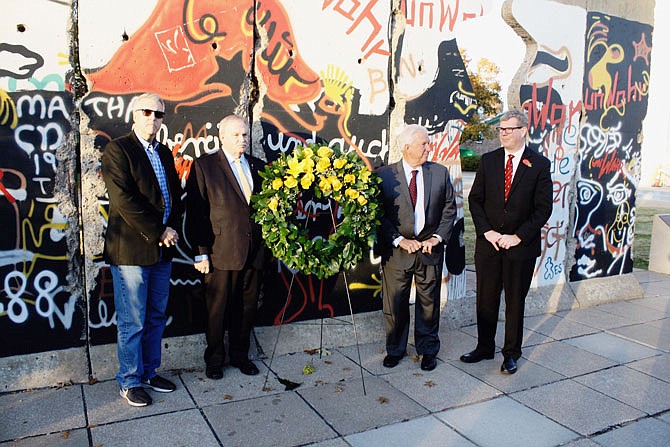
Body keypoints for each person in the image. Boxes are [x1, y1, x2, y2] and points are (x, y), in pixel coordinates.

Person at [101, 93, 183, 407]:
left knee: (156, 315)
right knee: (132, 319)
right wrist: (159, 230)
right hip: (132, 251)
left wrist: (171, 229)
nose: (152, 118)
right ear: (134, 115)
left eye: (159, 114)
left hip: (163, 248)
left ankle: (149, 372)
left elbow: (173, 194)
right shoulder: (118, 149)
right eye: (146, 112)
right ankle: (130, 381)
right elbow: (124, 201)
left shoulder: (162, 151)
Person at [460, 109, 552, 374]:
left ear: (523, 130)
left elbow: (542, 209)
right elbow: (475, 200)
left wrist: (518, 236)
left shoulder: (539, 164)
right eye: (500, 129)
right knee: (485, 299)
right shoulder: (488, 161)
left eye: (508, 129)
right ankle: (484, 347)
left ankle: (511, 353)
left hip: (519, 248)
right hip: (489, 245)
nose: (503, 133)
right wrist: (487, 232)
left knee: (514, 302)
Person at [186, 115, 266, 380]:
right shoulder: (206, 166)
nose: (242, 140)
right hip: (221, 251)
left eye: (244, 135)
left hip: (254, 252)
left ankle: (241, 356)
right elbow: (197, 213)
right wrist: (201, 251)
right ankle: (215, 360)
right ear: (222, 138)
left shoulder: (258, 166)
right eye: (236, 135)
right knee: (217, 309)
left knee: (247, 307)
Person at [376, 124, 457, 371]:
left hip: (429, 251)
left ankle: (428, 350)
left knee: (429, 304)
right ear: (407, 146)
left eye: (428, 143)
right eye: (423, 144)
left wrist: (438, 238)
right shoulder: (384, 176)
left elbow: (449, 209)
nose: (428, 148)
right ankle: (396, 349)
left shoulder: (440, 173)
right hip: (398, 252)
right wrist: (399, 240)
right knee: (395, 304)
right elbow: (378, 215)